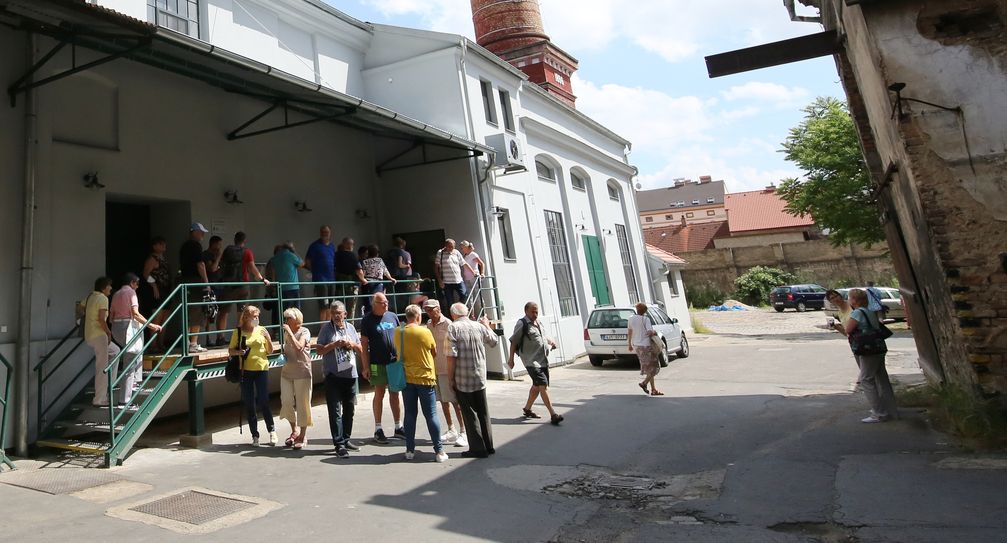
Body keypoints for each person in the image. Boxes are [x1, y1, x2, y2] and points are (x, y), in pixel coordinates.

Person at [447, 302, 499, 458]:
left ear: (453, 314)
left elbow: (451, 356)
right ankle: (488, 445)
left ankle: (477, 448)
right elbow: (494, 341)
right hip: (479, 376)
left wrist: (450, 378)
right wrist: (487, 325)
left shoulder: (453, 328)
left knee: (469, 414)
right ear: (467, 312)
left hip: (463, 377)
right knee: (483, 411)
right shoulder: (478, 326)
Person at [397, 304, 447, 462]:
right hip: (425, 377)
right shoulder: (425, 331)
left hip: (407, 377)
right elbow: (434, 352)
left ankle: (409, 450)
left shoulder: (398, 332)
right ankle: (439, 451)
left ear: (407, 317)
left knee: (410, 414)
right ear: (418, 316)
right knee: (431, 414)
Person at [844, 289, 898, 423]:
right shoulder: (870, 311)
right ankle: (891, 409)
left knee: (866, 379)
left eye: (849, 298)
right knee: (882, 378)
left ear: (854, 300)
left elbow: (848, 329)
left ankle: (879, 413)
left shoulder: (857, 313)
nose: (848, 300)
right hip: (878, 346)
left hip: (867, 348)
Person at [316, 301, 362, 458]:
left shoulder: (351, 328)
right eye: (333, 313)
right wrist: (334, 344)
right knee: (335, 411)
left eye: (339, 313)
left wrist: (351, 344)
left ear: (345, 314)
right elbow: (319, 350)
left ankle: (346, 438)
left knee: (349, 410)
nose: (336, 316)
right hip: (333, 376)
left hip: (350, 375)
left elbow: (360, 348)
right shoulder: (326, 329)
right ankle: (339, 444)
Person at [228, 305, 277, 446]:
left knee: (264, 400)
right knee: (249, 403)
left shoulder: (261, 330)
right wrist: (239, 352)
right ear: (246, 318)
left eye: (257, 316)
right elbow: (230, 350)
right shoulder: (238, 332)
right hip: (245, 370)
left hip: (261, 368)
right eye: (254, 317)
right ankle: (254, 435)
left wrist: (268, 339)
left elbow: (270, 351)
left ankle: (272, 430)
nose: (257, 319)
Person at [508, 301, 564, 425]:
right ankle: (553, 414)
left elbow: (542, 336)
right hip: (531, 361)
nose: (535, 314)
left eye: (536, 312)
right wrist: (511, 359)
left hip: (542, 360)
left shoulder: (538, 322)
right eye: (533, 312)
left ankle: (527, 409)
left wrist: (551, 342)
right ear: (526, 311)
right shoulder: (522, 324)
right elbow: (514, 342)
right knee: (543, 385)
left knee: (537, 386)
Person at [109, 273, 162, 402]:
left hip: (116, 328)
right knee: (130, 363)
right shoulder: (131, 293)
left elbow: (111, 317)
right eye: (137, 284)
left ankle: (134, 382)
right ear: (132, 283)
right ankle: (125, 399)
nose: (137, 286)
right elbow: (136, 314)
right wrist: (151, 325)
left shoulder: (116, 294)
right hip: (128, 328)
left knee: (131, 357)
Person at [360, 292, 403, 443]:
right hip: (377, 363)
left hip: (394, 362)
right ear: (374, 304)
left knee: (395, 393)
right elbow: (364, 346)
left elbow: (400, 336)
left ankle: (398, 427)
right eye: (382, 302)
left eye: (386, 301)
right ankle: (378, 429)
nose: (386, 304)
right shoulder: (367, 320)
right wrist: (365, 367)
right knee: (379, 393)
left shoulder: (392, 316)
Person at [424, 299, 466, 449]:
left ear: (439, 308)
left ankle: (463, 431)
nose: (429, 312)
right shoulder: (429, 324)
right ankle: (451, 429)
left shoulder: (449, 324)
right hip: (434, 369)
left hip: (447, 369)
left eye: (431, 309)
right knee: (443, 401)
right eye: (427, 310)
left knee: (455, 401)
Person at [216, 231, 269, 344]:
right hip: (243, 285)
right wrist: (262, 279)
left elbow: (221, 264)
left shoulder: (228, 250)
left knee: (223, 312)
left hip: (228, 285)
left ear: (235, 239)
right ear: (244, 241)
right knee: (241, 313)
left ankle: (220, 337)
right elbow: (252, 267)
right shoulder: (247, 252)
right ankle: (240, 337)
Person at [85, 277, 121, 407]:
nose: (110, 288)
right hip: (100, 335)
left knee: (116, 351)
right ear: (103, 287)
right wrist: (109, 332)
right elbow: (101, 319)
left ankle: (111, 383)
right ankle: (99, 399)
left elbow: (80, 307)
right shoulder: (103, 298)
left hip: (89, 335)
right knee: (102, 367)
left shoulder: (91, 297)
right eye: (109, 286)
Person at [279, 307, 312, 449]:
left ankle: (303, 435)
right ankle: (294, 430)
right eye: (285, 318)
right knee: (286, 401)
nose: (286, 320)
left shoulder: (304, 331)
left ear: (297, 319)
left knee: (303, 403)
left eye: (289, 318)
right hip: (287, 371)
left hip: (302, 371)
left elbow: (299, 347)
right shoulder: (286, 333)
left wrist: (291, 334)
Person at [179, 222, 211, 353]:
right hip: (195, 282)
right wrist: (206, 283)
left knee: (187, 313)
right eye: (201, 232)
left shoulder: (184, 246)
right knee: (197, 313)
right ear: (194, 232)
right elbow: (200, 265)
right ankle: (193, 343)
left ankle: (187, 343)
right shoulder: (196, 245)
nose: (203, 234)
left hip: (185, 282)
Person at [140, 236, 171, 350]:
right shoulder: (152, 259)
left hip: (166, 289)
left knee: (165, 317)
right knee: (157, 316)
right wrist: (153, 286)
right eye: (160, 244)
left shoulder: (163, 259)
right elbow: (145, 274)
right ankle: (153, 344)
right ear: (154, 246)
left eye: (164, 243)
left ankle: (161, 343)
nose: (164, 246)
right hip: (157, 291)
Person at [627, 302, 662, 396]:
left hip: (637, 346)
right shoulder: (646, 319)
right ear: (645, 311)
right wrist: (655, 332)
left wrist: (629, 344)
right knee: (655, 367)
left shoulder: (631, 319)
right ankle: (644, 383)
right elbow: (650, 332)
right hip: (646, 346)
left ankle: (653, 389)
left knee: (648, 368)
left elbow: (629, 331)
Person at [306, 226, 337, 322]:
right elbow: (307, 261)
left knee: (331, 305)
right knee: (323, 306)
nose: (325, 233)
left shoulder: (332, 246)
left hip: (332, 280)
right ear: (320, 233)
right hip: (320, 279)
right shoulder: (314, 246)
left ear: (330, 233)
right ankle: (323, 328)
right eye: (323, 232)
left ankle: (330, 326)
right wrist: (314, 272)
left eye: (327, 232)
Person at [434, 239, 476, 308]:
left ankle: (457, 308)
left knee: (464, 295)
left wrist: (473, 272)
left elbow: (464, 263)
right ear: (445, 245)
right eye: (449, 247)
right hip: (447, 282)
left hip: (458, 280)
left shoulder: (456, 252)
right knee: (450, 301)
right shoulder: (440, 253)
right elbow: (436, 267)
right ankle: (453, 313)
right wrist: (439, 280)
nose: (451, 249)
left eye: (453, 247)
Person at [335, 238, 368, 319]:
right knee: (350, 308)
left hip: (339, 285)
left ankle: (340, 323)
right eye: (352, 244)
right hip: (351, 285)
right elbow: (359, 270)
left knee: (339, 306)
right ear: (349, 245)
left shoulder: (336, 255)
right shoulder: (352, 255)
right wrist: (363, 279)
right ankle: (349, 325)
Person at [269, 241, 305, 310]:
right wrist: (294, 252)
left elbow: (273, 274)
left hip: (280, 288)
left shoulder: (275, 258)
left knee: (284, 311)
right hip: (293, 288)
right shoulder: (291, 255)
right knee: (296, 311)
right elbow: (302, 264)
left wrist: (273, 288)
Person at [361, 245, 396, 315]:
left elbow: (363, 273)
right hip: (378, 283)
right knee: (379, 301)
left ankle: (368, 316)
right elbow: (385, 271)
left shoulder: (365, 261)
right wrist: (391, 278)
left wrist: (362, 280)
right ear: (377, 253)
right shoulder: (380, 260)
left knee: (368, 303)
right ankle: (379, 316)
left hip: (368, 283)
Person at [202, 235, 224, 345]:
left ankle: (219, 337)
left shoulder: (216, 255)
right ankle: (208, 338)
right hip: (211, 287)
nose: (220, 247)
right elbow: (212, 268)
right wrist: (219, 257)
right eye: (219, 244)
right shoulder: (206, 255)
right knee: (209, 313)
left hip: (219, 286)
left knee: (218, 312)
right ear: (213, 244)